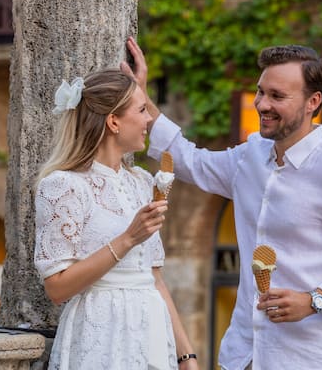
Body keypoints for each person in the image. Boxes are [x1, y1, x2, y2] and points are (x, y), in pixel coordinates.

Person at [122, 37, 322, 370]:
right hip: (243, 356)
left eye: (277, 96)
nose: (262, 104)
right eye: (261, 92)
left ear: (313, 101)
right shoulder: (249, 157)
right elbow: (189, 160)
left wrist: (314, 300)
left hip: (311, 359)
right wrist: (141, 97)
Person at [33, 68, 199, 370]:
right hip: (100, 334)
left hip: (151, 332)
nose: (148, 119)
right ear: (113, 122)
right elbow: (57, 288)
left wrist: (186, 356)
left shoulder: (142, 182)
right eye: (142, 110)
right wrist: (128, 239)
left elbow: (155, 279)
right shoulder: (64, 186)